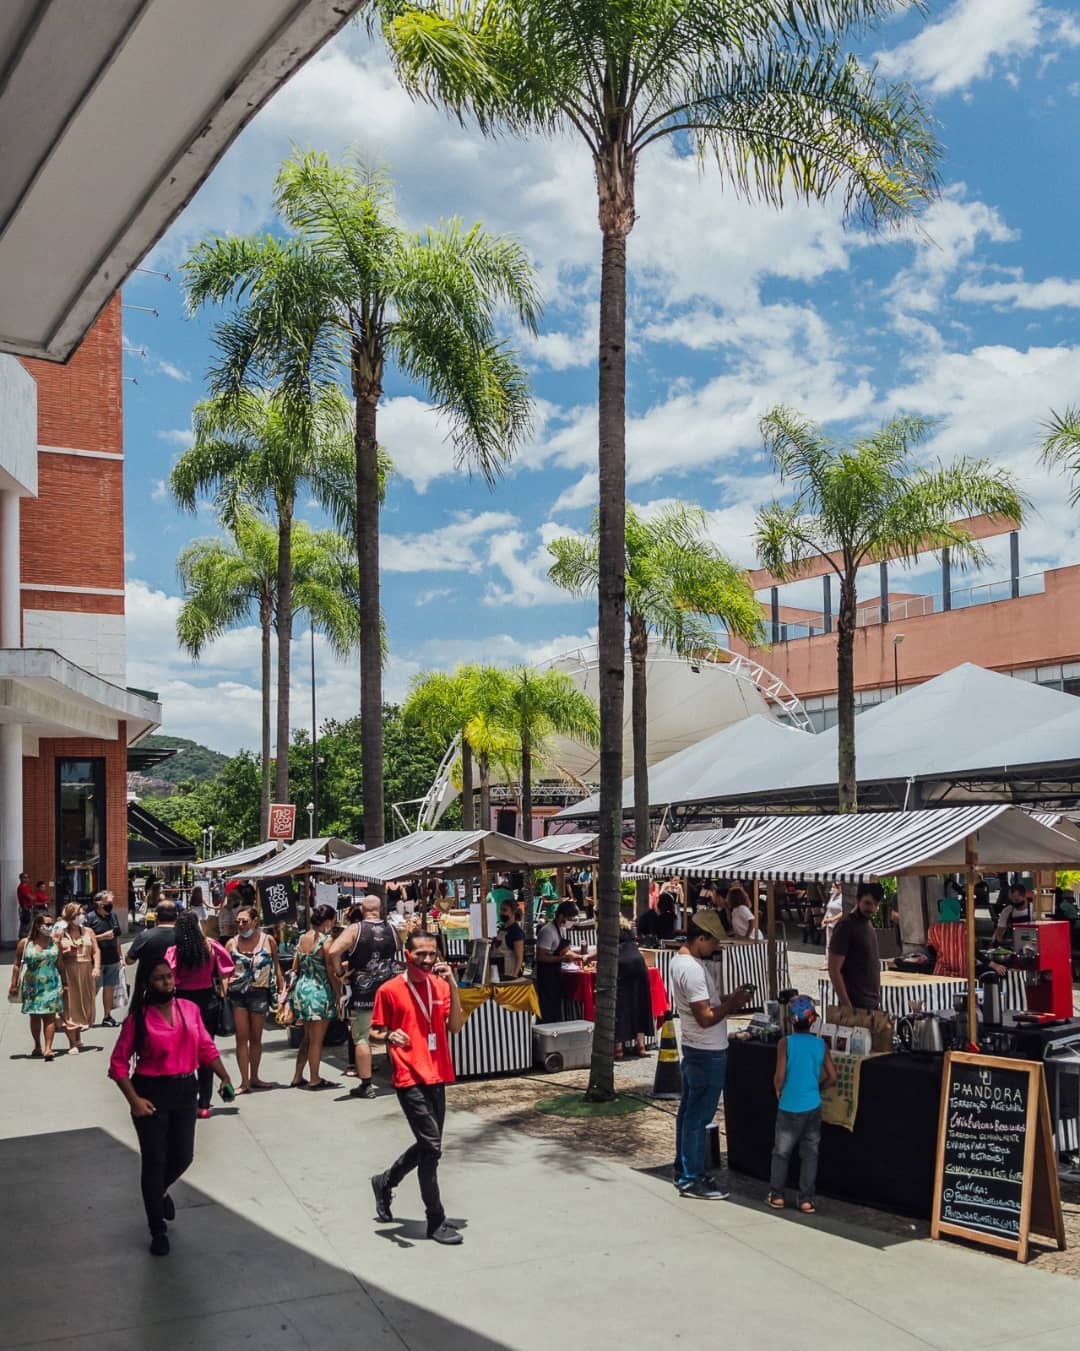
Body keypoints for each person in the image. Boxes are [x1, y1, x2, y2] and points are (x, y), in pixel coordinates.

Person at [108, 956, 235, 1256]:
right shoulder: (138, 1019)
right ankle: (157, 1229)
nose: (167, 982)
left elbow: (205, 1046)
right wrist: (134, 1100)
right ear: (148, 984)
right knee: (154, 1160)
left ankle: (158, 1191)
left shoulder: (189, 1010)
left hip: (184, 1089)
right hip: (150, 1092)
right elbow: (118, 1064)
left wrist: (224, 1076)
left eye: (169, 977)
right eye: (160, 978)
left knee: (183, 1155)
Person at [369, 930, 465, 1245]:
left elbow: (454, 1026)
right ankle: (435, 1219)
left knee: (429, 1147)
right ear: (406, 955)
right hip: (408, 1075)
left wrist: (452, 982)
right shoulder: (390, 990)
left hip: (437, 1074)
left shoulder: (439, 986)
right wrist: (389, 1036)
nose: (426, 960)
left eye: (432, 954)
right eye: (420, 954)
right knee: (432, 1147)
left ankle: (385, 1181)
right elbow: (373, 1034)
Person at [670, 911, 751, 1199]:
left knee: (689, 1112)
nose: (716, 946)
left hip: (696, 1047)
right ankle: (691, 1178)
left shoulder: (681, 963)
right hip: (706, 1050)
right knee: (698, 1115)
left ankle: (685, 1169)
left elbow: (702, 1009)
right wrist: (733, 1003)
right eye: (713, 941)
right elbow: (705, 1016)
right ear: (700, 938)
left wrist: (727, 1000)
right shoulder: (691, 969)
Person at [767, 994, 836, 1213]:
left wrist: (778, 1089)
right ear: (813, 1020)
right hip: (812, 1105)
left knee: (781, 1152)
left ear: (790, 1021)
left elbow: (779, 1075)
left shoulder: (785, 1043)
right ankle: (806, 1199)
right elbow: (833, 1076)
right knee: (810, 1153)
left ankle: (777, 1195)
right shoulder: (820, 1044)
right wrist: (819, 1088)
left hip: (789, 1105)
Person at [329, 896, 400, 1100]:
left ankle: (366, 1084)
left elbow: (334, 951)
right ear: (381, 908)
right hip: (390, 989)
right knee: (393, 1034)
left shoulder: (355, 929)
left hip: (363, 991)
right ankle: (398, 1076)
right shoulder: (392, 929)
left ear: (361, 909)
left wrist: (340, 974)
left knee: (361, 1037)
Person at [166, 911, 236, 1117]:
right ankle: (204, 1103)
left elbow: (170, 976)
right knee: (206, 1052)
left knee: (182, 1051)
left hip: (182, 1003)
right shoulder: (211, 946)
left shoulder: (175, 951)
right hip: (208, 1002)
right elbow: (227, 968)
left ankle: (184, 1098)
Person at [224, 906, 284, 1094]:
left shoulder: (269, 941)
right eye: (238, 922)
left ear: (255, 921)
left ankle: (255, 1076)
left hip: (260, 992)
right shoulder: (231, 944)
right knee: (241, 1038)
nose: (241, 925)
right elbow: (225, 972)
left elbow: (276, 967)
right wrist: (223, 993)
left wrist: (282, 991)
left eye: (245, 921)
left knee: (256, 1038)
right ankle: (243, 1082)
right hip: (238, 995)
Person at [289, 904, 341, 1090]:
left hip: (303, 989)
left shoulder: (303, 938)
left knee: (308, 1038)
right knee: (317, 1040)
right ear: (327, 921)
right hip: (319, 992)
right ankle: (314, 1078)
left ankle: (297, 1075)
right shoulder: (326, 941)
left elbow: (295, 966)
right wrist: (338, 992)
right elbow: (330, 970)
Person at [8, 911, 64, 1059]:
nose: (51, 927)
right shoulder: (25, 943)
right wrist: (13, 984)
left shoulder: (55, 943)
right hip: (32, 984)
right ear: (38, 926)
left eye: (52, 924)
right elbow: (16, 964)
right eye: (47, 924)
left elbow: (60, 963)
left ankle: (48, 1048)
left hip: (51, 982)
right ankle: (37, 1045)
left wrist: (65, 982)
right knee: (35, 1016)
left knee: (50, 1016)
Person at [827, 883, 882, 1011]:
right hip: (855, 1006)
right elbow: (834, 970)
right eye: (868, 903)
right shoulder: (845, 927)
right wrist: (848, 1008)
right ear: (857, 899)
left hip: (871, 1005)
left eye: (876, 904)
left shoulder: (868, 925)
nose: (872, 908)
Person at [57, 901, 100, 1054]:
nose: (82, 916)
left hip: (86, 969)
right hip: (69, 970)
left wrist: (96, 967)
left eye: (83, 913)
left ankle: (78, 1035)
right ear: (70, 916)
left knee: (85, 1003)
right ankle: (72, 1043)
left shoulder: (88, 931)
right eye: (78, 914)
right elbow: (55, 954)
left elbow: (96, 950)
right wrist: (66, 951)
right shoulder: (61, 932)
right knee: (70, 1004)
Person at [534, 900, 578, 1024]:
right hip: (545, 975)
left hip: (555, 973)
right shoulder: (548, 931)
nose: (572, 922)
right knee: (547, 1010)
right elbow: (540, 957)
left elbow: (565, 950)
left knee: (555, 1008)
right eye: (570, 918)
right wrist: (561, 959)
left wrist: (579, 956)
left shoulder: (561, 928)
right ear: (561, 916)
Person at [614, 920, 653, 1059]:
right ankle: (641, 1046)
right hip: (638, 962)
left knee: (621, 1004)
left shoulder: (608, 927)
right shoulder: (628, 928)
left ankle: (618, 1048)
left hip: (621, 963)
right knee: (640, 1003)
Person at [86, 890, 124, 1025]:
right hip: (96, 961)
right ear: (99, 904)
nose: (110, 906)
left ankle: (107, 1016)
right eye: (108, 903)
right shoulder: (90, 918)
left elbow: (117, 937)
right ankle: (86, 1015)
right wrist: (102, 937)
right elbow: (83, 940)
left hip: (112, 958)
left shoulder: (113, 916)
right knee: (94, 989)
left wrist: (121, 957)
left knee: (109, 988)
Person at [126, 899, 178, 965]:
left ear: (156, 917)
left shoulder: (144, 936)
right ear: (176, 917)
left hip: (149, 974)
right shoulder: (185, 936)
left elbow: (129, 961)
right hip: (176, 974)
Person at [491, 899, 525, 979]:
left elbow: (519, 957)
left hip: (508, 974)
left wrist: (514, 976)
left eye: (504, 910)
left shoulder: (516, 932)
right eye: (501, 910)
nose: (501, 913)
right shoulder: (501, 929)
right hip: (497, 974)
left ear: (513, 912)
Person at [821, 882, 844, 971]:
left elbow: (843, 912)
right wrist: (824, 919)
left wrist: (832, 919)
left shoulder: (843, 898)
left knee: (838, 944)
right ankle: (827, 963)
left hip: (838, 924)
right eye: (832, 887)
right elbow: (828, 909)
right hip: (830, 924)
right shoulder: (833, 896)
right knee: (829, 944)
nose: (832, 889)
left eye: (834, 887)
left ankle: (839, 963)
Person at [16, 871, 34, 939]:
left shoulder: (26, 887)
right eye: (24, 877)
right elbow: (30, 897)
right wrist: (33, 897)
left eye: (27, 877)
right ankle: (22, 942)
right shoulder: (22, 887)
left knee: (28, 926)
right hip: (25, 908)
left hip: (28, 908)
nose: (26, 879)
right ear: (20, 878)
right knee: (25, 926)